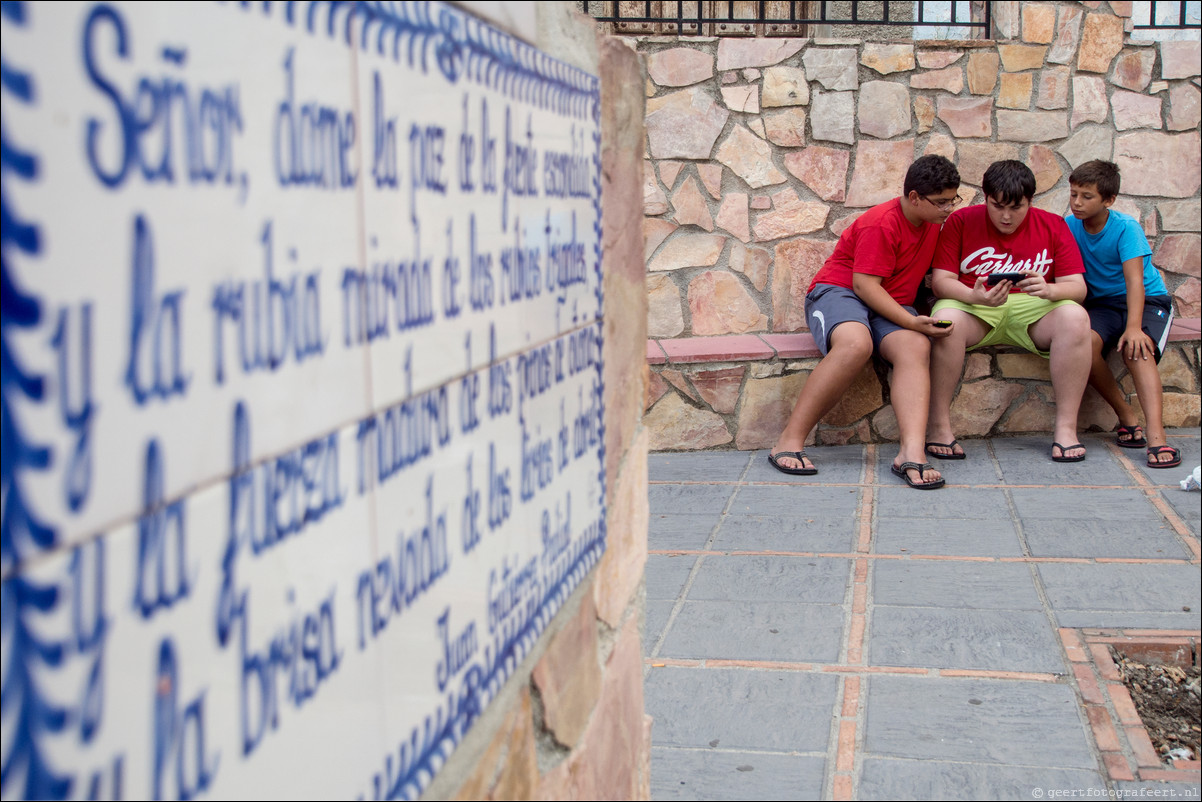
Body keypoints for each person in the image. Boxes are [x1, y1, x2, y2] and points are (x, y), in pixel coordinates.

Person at [768, 154, 961, 490]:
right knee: (856, 344)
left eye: (953, 200)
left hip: (890, 304)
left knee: (915, 346)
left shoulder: (934, 223)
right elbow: (864, 286)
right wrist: (913, 321)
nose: (949, 209)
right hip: (840, 293)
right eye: (942, 202)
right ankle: (788, 441)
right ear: (914, 197)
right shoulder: (881, 222)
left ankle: (910, 453)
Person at [926, 160, 1091, 462]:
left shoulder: (1053, 224)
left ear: (1030, 201)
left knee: (1076, 317)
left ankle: (1066, 431)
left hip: (1033, 309)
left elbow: (1077, 288)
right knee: (944, 320)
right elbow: (941, 282)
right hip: (974, 306)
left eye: (1016, 207)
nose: (1006, 216)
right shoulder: (961, 220)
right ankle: (939, 427)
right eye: (996, 205)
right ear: (985, 197)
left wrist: (1050, 290)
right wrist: (974, 297)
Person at [1066, 160, 1179, 469]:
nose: (1077, 203)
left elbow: (1135, 282)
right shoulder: (1069, 224)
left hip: (1146, 298)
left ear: (1108, 200)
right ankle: (1127, 417)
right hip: (1102, 304)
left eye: (1086, 196)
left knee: (1136, 350)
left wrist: (1133, 328)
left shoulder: (1125, 227)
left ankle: (1157, 439)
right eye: (1073, 194)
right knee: (1082, 345)